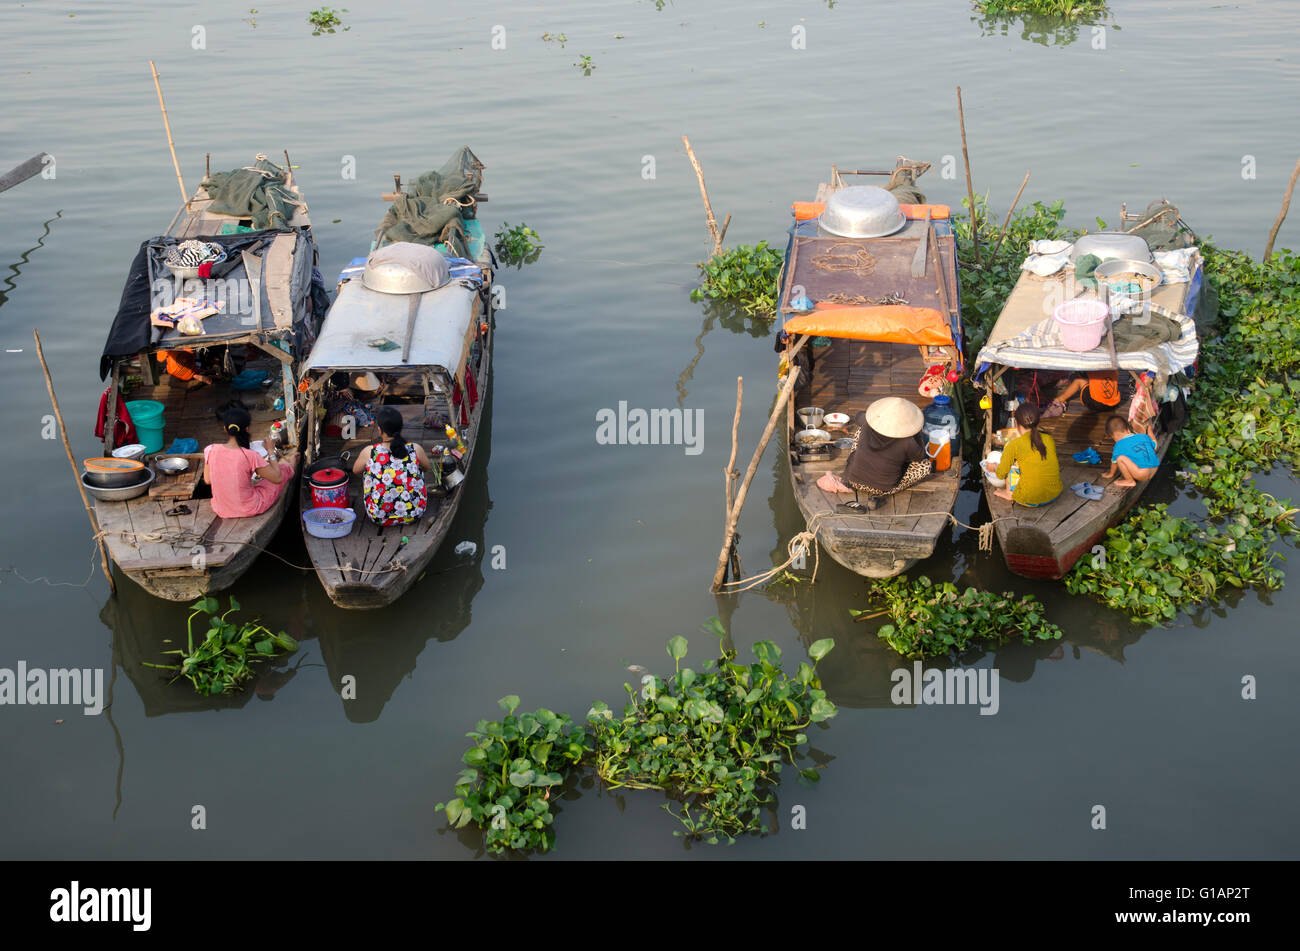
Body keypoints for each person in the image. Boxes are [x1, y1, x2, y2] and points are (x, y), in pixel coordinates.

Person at [819, 397, 933, 510]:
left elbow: (859, 415)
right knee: (925, 466)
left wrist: (872, 417)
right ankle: (883, 495)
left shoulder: (868, 423)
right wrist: (916, 432)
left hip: (854, 480)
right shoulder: (908, 441)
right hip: (882, 488)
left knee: (861, 429)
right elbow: (920, 456)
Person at [202, 407, 298, 518]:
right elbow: (277, 478)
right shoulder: (250, 455)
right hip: (249, 508)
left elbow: (208, 480)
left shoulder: (210, 449)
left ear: (225, 429)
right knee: (283, 469)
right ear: (247, 429)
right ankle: (292, 465)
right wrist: (271, 451)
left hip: (221, 509)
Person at [352, 406, 431, 525]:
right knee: (418, 468)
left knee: (367, 471)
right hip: (413, 513)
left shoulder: (369, 452)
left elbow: (356, 471)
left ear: (379, 430)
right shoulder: (415, 449)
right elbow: (426, 468)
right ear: (400, 428)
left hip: (379, 516)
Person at [987, 402, 1062, 506]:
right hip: (1054, 495)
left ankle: (1009, 493)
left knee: (1012, 466)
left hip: (1029, 499)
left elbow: (1001, 474)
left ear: (1016, 423)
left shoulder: (1014, 444)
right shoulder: (1049, 439)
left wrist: (994, 467)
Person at [1103, 414, 1160, 488]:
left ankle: (1129, 481)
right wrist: (1149, 431)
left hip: (1142, 474)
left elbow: (1114, 463)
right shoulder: (1143, 436)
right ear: (1128, 429)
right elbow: (1155, 444)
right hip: (1155, 468)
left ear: (1113, 435)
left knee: (1120, 458)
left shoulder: (1118, 445)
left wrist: (1110, 474)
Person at [1040, 369, 1123, 418]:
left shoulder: (1093, 366)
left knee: (1078, 380)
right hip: (1114, 404)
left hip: (1095, 404)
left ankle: (1060, 399)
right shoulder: (1114, 367)